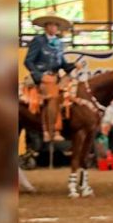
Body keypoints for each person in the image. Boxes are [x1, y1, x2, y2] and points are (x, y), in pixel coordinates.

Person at [23, 12, 74, 142]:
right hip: (43, 77)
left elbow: (62, 63)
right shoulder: (38, 41)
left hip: (56, 77)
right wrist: (39, 76)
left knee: (73, 89)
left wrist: (73, 65)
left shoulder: (59, 43)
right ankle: (52, 130)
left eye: (56, 25)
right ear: (46, 26)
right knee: (53, 95)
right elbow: (28, 61)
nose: (54, 28)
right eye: (52, 25)